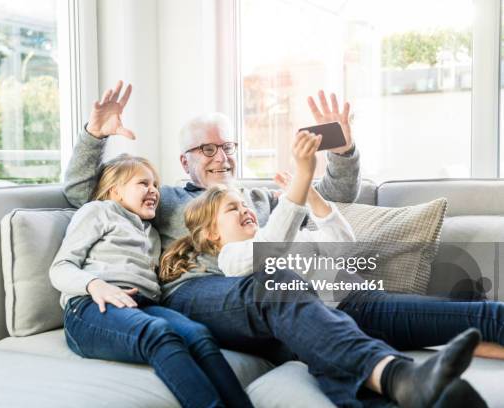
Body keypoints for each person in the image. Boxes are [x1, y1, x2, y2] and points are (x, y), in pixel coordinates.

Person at [65, 80, 504, 361]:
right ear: (184, 160)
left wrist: (342, 153)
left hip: (294, 291)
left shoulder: (258, 197)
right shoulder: (167, 198)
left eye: (228, 146)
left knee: (462, 311)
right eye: (208, 149)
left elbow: (330, 200)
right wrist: (95, 135)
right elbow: (83, 194)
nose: (222, 156)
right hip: (203, 290)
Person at [158, 131, 486, 407]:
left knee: (477, 314)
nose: (246, 210)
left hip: (348, 304)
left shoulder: (279, 231)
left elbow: (343, 246)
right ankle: (407, 381)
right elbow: (268, 249)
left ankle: (421, 384)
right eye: (234, 208)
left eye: (246, 206)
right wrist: (300, 180)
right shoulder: (234, 256)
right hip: (335, 309)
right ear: (211, 233)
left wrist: (311, 193)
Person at [50, 154, 254, 408]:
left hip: (141, 305)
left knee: (199, 335)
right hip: (90, 306)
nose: (153, 191)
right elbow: (60, 267)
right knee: (159, 333)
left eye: (155, 185)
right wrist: (95, 285)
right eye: (143, 184)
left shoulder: (152, 232)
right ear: (115, 191)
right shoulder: (98, 211)